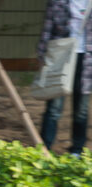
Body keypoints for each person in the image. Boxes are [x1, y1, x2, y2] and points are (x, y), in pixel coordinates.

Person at [37, 0, 92, 154]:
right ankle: (44, 149)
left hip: (87, 59)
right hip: (60, 56)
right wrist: (42, 55)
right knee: (53, 108)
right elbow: (47, 29)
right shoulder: (57, 2)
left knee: (81, 110)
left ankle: (76, 151)